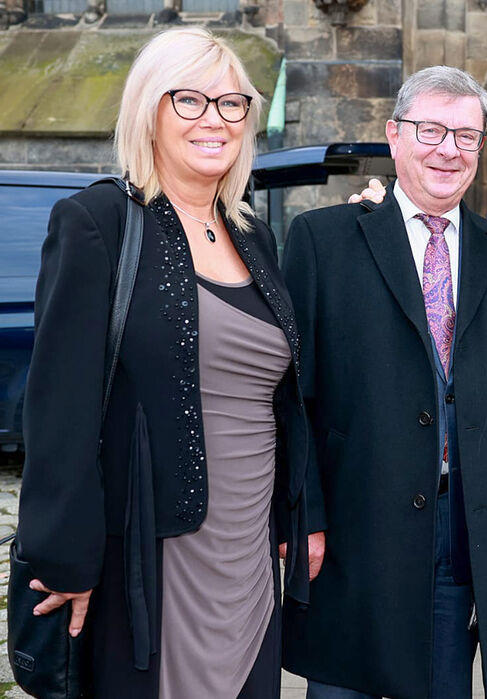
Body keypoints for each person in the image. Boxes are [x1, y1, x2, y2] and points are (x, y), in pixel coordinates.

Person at [17, 27, 320, 698]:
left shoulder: (254, 236)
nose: (215, 119)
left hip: (248, 554)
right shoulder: (98, 222)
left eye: (232, 103)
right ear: (149, 109)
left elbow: (283, 397)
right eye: (190, 100)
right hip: (152, 555)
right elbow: (58, 408)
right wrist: (63, 558)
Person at [279, 66, 487, 699]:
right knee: (345, 686)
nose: (448, 149)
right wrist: (303, 516)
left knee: (444, 682)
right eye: (432, 130)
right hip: (353, 522)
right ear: (395, 136)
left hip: (463, 524)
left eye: (466, 135)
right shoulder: (323, 240)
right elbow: (293, 397)